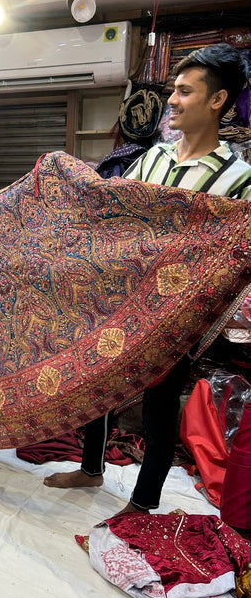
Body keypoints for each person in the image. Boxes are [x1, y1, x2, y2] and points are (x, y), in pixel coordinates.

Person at [44, 43, 251, 515]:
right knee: (93, 384)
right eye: (172, 91)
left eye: (183, 91)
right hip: (120, 303)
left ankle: (141, 504)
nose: (171, 101)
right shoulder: (150, 161)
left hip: (177, 319)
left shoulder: (239, 182)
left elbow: (233, 257)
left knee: (160, 408)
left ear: (217, 101)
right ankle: (92, 469)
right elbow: (113, 223)